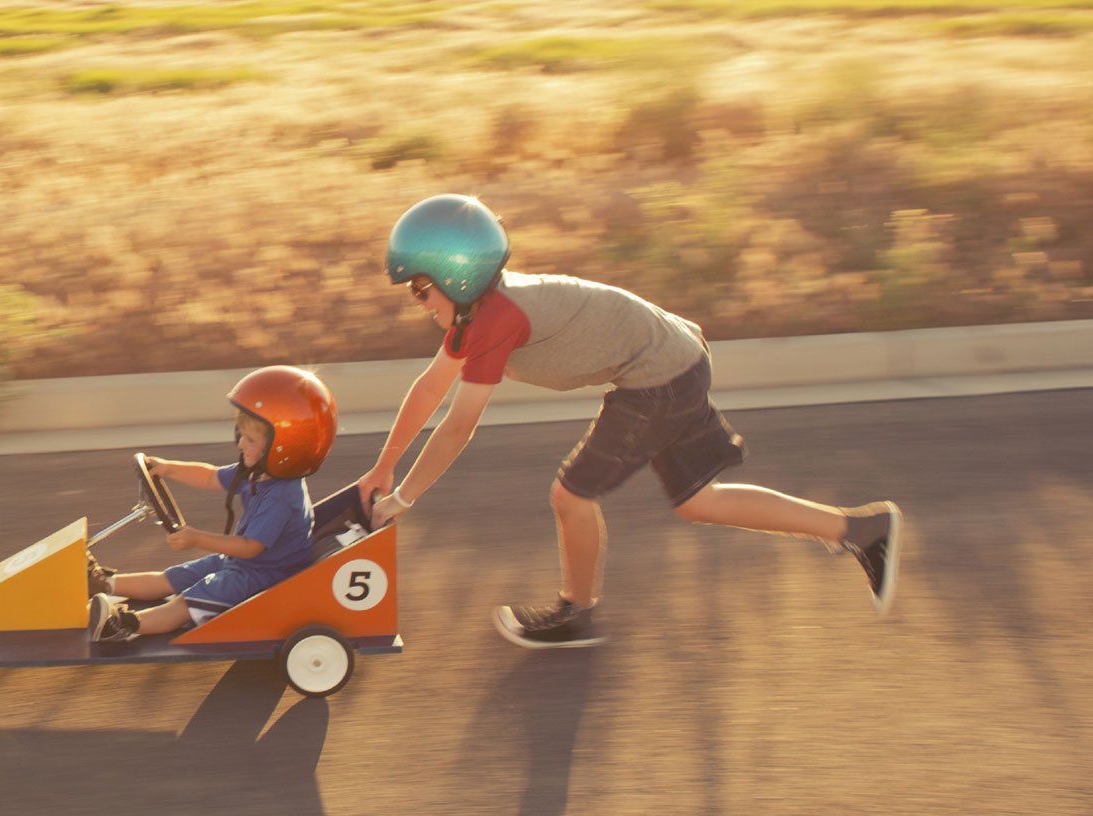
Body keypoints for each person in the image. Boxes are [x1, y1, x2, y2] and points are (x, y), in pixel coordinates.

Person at [356, 193, 902, 649]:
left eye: (421, 287)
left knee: (571, 494)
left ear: (459, 275)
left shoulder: (497, 317)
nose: (419, 300)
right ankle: (861, 529)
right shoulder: (477, 313)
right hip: (671, 360)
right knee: (697, 501)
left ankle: (575, 612)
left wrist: (405, 497)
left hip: (659, 376)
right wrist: (383, 468)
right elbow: (431, 388)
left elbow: (458, 424)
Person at [89, 365, 336, 642]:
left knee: (186, 602)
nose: (241, 444)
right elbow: (209, 476)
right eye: (241, 435)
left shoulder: (282, 495)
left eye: (250, 439)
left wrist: (196, 538)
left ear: (284, 447)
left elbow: (250, 547)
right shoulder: (256, 471)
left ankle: (121, 626)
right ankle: (101, 584)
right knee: (173, 577)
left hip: (265, 578)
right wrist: (168, 468)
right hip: (243, 563)